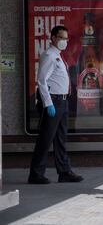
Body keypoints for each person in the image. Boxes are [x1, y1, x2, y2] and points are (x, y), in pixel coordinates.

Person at [28, 25, 83, 184]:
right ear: (53, 38)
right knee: (45, 138)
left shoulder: (58, 55)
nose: (64, 41)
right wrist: (48, 104)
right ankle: (36, 174)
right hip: (54, 101)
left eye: (66, 38)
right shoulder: (49, 56)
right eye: (61, 38)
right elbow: (42, 81)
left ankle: (64, 172)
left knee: (60, 138)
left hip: (62, 101)